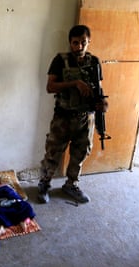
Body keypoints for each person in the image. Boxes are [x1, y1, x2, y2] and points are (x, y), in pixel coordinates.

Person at [38, 25, 108, 204]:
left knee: (80, 153)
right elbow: (50, 87)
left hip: (86, 117)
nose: (79, 47)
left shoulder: (94, 62)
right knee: (53, 153)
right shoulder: (60, 60)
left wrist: (102, 102)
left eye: (83, 42)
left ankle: (71, 184)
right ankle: (44, 185)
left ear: (88, 41)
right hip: (63, 117)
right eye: (75, 43)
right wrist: (75, 83)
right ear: (70, 43)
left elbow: (98, 87)